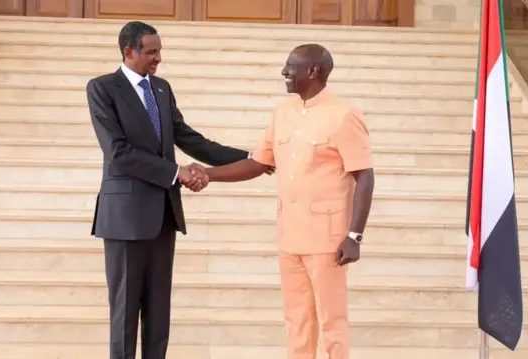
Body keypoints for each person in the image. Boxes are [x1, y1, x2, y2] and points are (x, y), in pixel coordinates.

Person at [192, 44, 375, 359]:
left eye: (291, 66)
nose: (284, 72)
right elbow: (260, 164)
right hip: (290, 236)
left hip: (328, 239)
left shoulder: (344, 115)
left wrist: (354, 235)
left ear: (313, 71)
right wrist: (207, 175)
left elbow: (365, 176)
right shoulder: (282, 113)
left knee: (332, 319)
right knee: (297, 320)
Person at [85, 20, 255, 359]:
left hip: (163, 214)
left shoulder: (161, 88)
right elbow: (117, 152)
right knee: (124, 310)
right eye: (151, 52)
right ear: (128, 51)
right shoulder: (102, 88)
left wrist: (251, 157)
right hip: (125, 218)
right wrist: (178, 172)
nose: (158, 58)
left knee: (159, 310)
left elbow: (189, 138)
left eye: (160, 51)